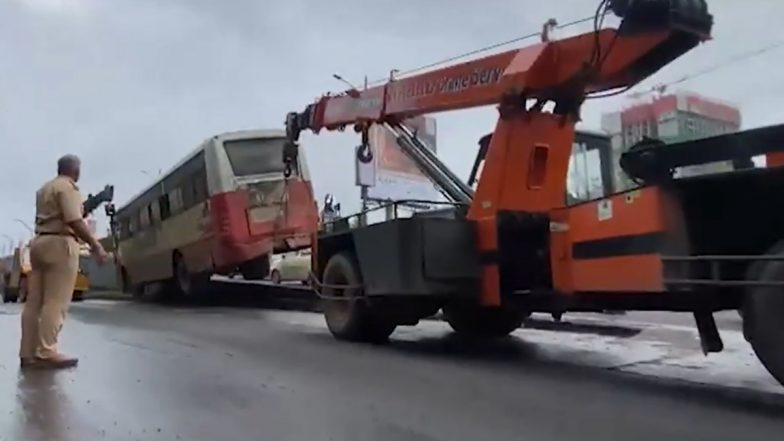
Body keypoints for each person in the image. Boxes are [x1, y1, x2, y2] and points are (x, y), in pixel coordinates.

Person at [19, 154, 108, 369]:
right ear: (75, 170)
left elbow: (62, 214)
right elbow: (73, 219)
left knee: (35, 301)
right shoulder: (68, 188)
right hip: (60, 243)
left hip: (39, 242)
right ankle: (47, 351)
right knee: (55, 301)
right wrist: (95, 245)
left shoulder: (44, 189)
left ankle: (27, 352)